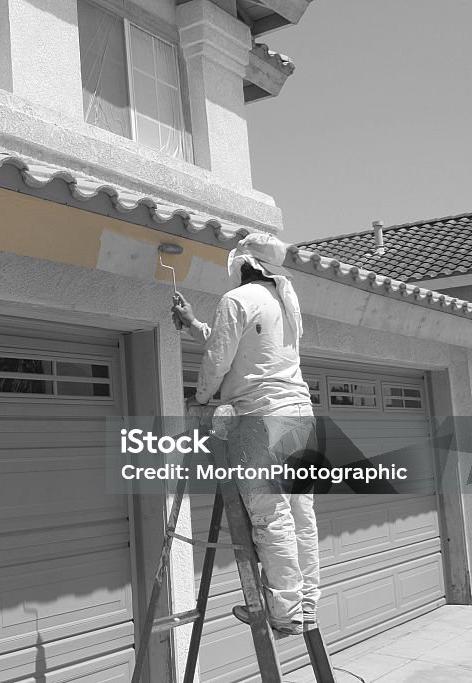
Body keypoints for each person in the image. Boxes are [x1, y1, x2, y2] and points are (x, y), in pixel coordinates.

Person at [171, 232, 320, 637]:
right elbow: (241, 349)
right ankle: (306, 607)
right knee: (301, 514)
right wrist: (194, 324)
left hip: (261, 417)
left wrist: (200, 399)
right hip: (299, 416)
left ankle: (285, 613)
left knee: (271, 516)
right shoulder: (284, 303)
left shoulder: (236, 300)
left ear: (245, 264)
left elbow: (220, 358)